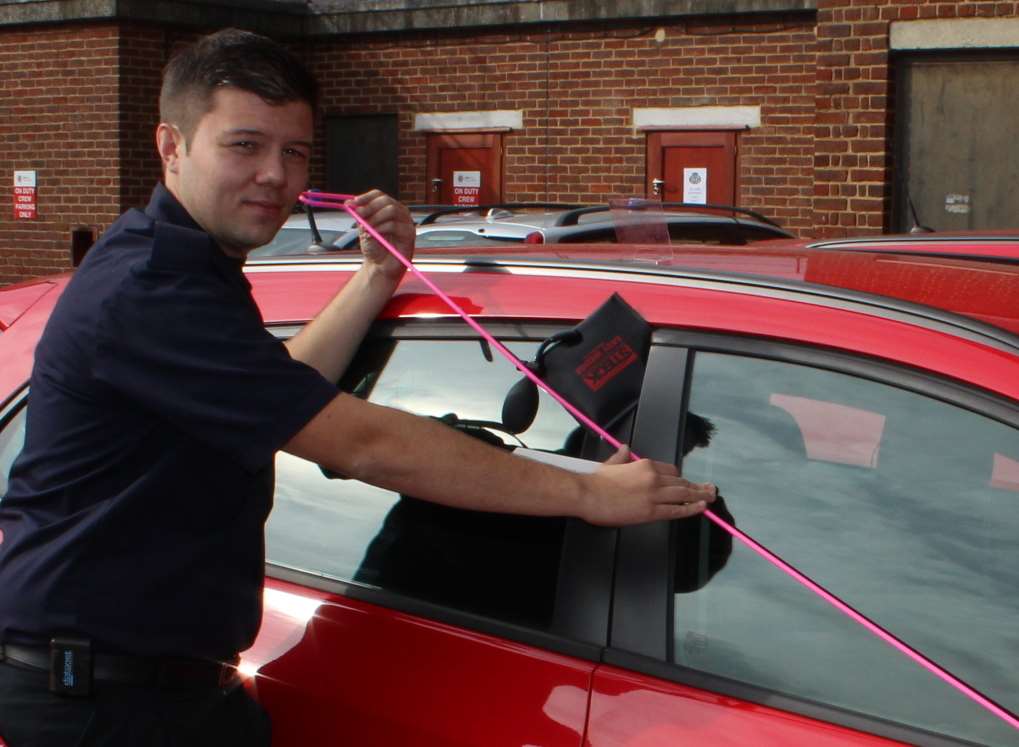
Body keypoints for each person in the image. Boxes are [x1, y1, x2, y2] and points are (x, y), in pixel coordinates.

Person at [0, 28, 716, 746]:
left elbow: (283, 392)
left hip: (159, 692)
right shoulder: (148, 291)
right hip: (99, 710)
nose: (275, 175)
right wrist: (589, 493)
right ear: (171, 145)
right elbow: (360, 441)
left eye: (296, 151)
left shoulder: (187, 268)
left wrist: (377, 275)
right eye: (244, 145)